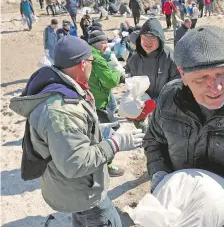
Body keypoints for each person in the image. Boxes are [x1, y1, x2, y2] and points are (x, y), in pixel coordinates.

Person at [143, 25, 224, 227]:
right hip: (178, 211)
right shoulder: (169, 98)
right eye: (202, 78)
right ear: (182, 74)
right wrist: (159, 175)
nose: (215, 88)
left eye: (223, 73)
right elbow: (154, 141)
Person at [10, 35, 145, 227]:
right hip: (82, 192)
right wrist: (115, 144)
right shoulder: (63, 110)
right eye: (91, 61)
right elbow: (75, 163)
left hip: (70, 189)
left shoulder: (62, 89)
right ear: (82, 64)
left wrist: (95, 130)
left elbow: (66, 137)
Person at [87, 31, 124, 177]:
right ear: (97, 43)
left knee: (94, 132)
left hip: (90, 99)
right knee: (106, 133)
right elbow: (110, 81)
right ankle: (107, 164)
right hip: (99, 101)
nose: (106, 45)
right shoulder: (98, 59)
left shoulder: (86, 53)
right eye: (104, 43)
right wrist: (118, 73)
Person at [126, 18, 180, 100]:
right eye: (144, 37)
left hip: (164, 105)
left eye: (152, 37)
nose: (148, 41)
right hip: (142, 104)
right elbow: (132, 82)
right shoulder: (134, 59)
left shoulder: (170, 58)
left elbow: (177, 85)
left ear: (160, 39)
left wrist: (161, 101)